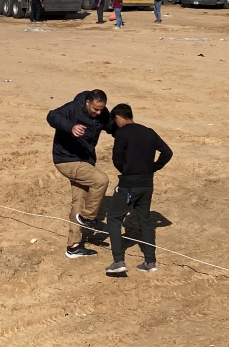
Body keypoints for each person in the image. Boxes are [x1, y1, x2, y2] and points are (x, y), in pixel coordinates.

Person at [46, 89, 118, 259]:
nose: (98, 112)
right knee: (101, 180)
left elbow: (112, 127)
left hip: (85, 161)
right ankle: (88, 217)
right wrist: (70, 127)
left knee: (79, 202)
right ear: (87, 102)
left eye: (101, 109)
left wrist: (130, 133)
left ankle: (73, 246)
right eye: (95, 109)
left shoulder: (102, 113)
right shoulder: (73, 108)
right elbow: (52, 116)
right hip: (66, 160)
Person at [105, 103, 173, 275]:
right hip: (147, 184)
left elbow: (117, 159)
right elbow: (167, 152)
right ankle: (150, 262)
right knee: (145, 220)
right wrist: (153, 168)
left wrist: (127, 172)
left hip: (129, 184)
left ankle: (118, 261)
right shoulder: (148, 131)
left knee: (113, 218)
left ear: (118, 118)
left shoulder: (122, 133)